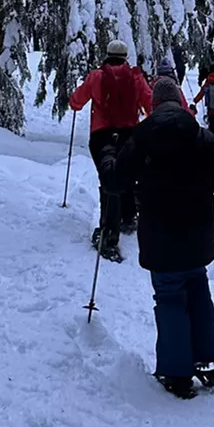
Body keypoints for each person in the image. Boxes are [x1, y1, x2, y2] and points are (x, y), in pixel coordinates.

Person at [105, 76, 214, 399]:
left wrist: (110, 155)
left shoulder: (141, 138)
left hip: (160, 238)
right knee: (197, 288)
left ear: (153, 106)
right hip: (198, 236)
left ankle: (177, 373)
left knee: (169, 297)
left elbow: (115, 183)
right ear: (180, 103)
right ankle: (208, 359)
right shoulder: (202, 137)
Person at [69, 39, 153, 262]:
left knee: (109, 180)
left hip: (101, 137)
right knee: (127, 174)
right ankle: (128, 218)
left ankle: (108, 235)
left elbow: (76, 102)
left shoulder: (96, 76)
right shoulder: (136, 78)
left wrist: (78, 104)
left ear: (107, 54)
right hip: (129, 136)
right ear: (126, 56)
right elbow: (150, 105)